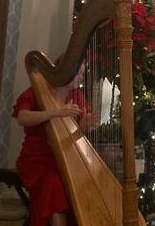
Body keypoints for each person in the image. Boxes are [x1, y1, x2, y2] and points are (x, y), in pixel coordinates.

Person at [13, 64, 98, 226]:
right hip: (37, 159)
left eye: (82, 74)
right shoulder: (37, 91)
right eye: (78, 73)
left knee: (80, 183)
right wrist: (56, 112)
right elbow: (22, 118)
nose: (81, 77)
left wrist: (86, 125)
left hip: (65, 157)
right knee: (55, 183)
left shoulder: (77, 95)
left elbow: (74, 133)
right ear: (64, 73)